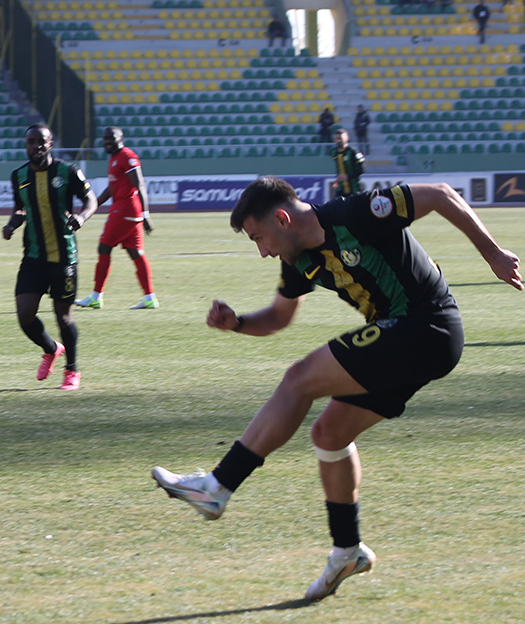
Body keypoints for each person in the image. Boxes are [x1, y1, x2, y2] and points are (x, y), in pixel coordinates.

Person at [152, 177, 522, 601]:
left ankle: (217, 487)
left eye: (259, 238)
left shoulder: (357, 213)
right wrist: (236, 323)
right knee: (329, 434)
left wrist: (492, 253)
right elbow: (277, 317)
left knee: (299, 380)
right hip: (405, 339)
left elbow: (439, 194)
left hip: (427, 324)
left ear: (283, 218)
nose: (263, 251)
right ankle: (348, 550)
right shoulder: (298, 257)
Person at [2, 123, 99, 391]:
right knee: (25, 315)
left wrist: (81, 217)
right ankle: (51, 348)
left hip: (63, 256)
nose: (36, 146)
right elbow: (20, 208)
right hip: (33, 257)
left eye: (41, 141)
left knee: (63, 317)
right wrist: (12, 225)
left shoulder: (68, 171)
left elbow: (91, 200)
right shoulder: (19, 175)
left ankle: (72, 370)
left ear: (51, 143)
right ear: (26, 145)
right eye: (31, 142)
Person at [75, 126, 157, 311]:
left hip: (125, 211)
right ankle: (150, 298)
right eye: (105, 139)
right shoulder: (114, 158)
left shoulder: (127, 156)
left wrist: (146, 215)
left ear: (121, 138)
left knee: (104, 247)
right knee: (135, 253)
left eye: (111, 138)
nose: (107, 141)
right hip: (128, 212)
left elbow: (140, 185)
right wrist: (93, 205)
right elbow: (112, 189)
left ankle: (96, 296)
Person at [330, 128, 365, 198]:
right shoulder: (334, 153)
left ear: (347, 138)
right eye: (337, 138)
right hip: (341, 188)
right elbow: (339, 168)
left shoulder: (353, 152)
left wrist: (348, 177)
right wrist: (337, 179)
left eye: (340, 138)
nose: (338, 140)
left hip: (353, 189)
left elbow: (361, 170)